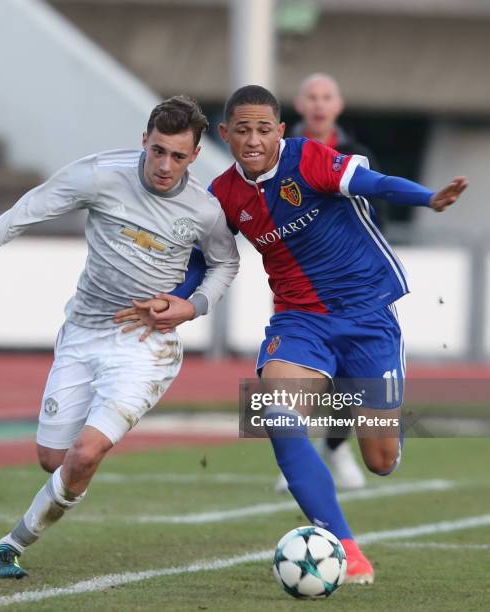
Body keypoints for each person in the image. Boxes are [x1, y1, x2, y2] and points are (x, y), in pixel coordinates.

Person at [114, 85, 467, 585]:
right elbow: (203, 260)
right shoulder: (224, 196)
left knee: (381, 461)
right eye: (242, 130)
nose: (253, 139)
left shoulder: (311, 159)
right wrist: (180, 296)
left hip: (368, 317)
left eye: (263, 129)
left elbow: (377, 183)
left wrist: (427, 197)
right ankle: (345, 544)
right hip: (300, 321)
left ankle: (348, 401)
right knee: (273, 411)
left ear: (280, 131)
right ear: (225, 135)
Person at [0, 96, 240, 579]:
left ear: (195, 156)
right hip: (84, 332)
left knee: (85, 452)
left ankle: (13, 543)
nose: (165, 165)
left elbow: (225, 263)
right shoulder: (98, 174)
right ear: (144, 141)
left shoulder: (205, 210)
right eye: (157, 151)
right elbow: (28, 209)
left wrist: (192, 306)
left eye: (178, 156)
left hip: (146, 346)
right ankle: (77, 469)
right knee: (54, 459)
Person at [272, 72, 387, 491]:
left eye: (327, 97)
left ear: (337, 105)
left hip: (352, 289)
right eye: (311, 97)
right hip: (297, 284)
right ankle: (298, 453)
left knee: (348, 377)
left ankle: (336, 447)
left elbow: (377, 218)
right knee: (297, 369)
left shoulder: (357, 155)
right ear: (299, 105)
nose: (319, 104)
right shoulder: (277, 154)